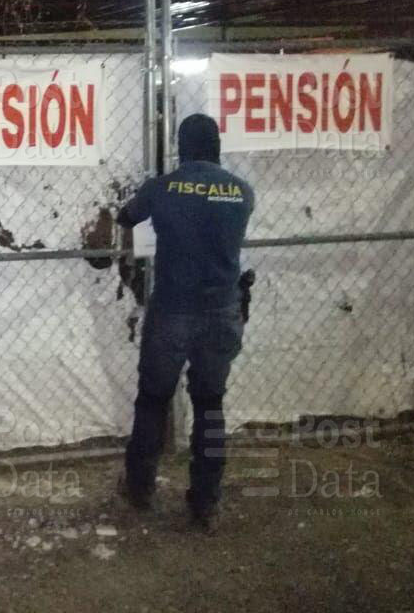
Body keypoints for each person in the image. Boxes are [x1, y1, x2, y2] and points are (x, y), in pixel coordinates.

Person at [116, 113, 255, 531]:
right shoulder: (242, 191)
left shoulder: (162, 188)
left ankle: (140, 487)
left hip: (173, 309)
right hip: (221, 310)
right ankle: (205, 502)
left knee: (153, 400)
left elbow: (126, 217)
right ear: (217, 146)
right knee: (210, 406)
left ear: (181, 146)